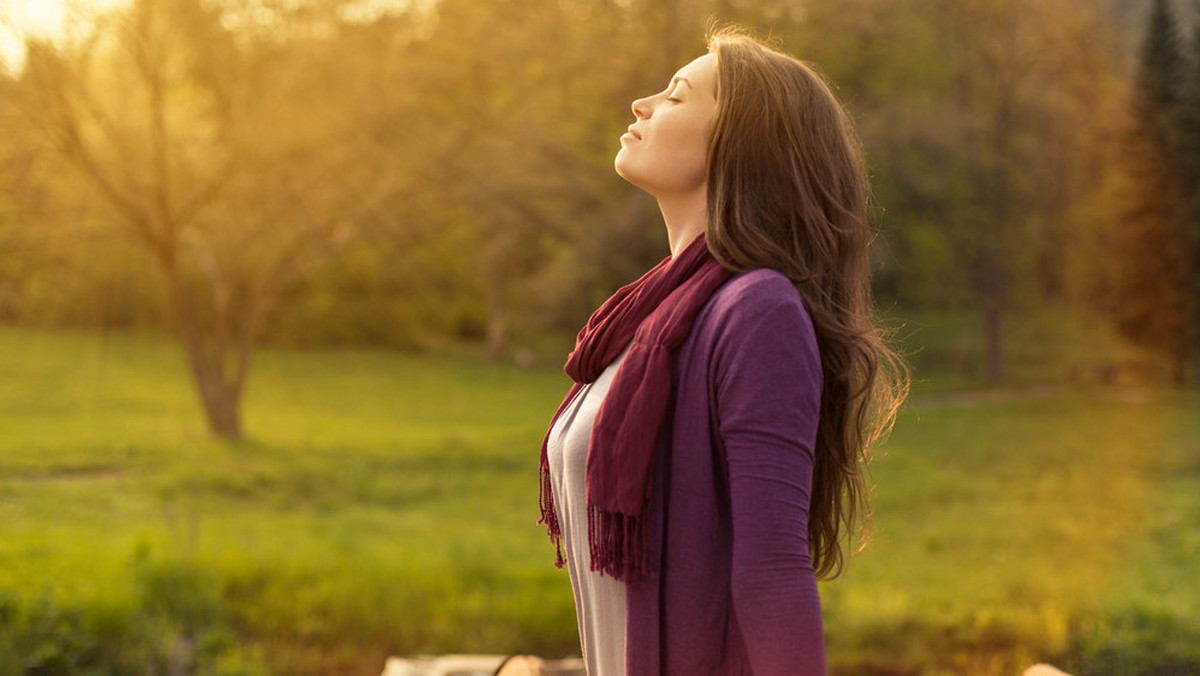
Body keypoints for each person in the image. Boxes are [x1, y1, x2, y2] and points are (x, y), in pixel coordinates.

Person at [537, 26, 908, 676]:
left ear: (739, 144)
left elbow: (772, 568)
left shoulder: (757, 310)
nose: (641, 104)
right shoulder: (645, 317)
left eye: (676, 96)